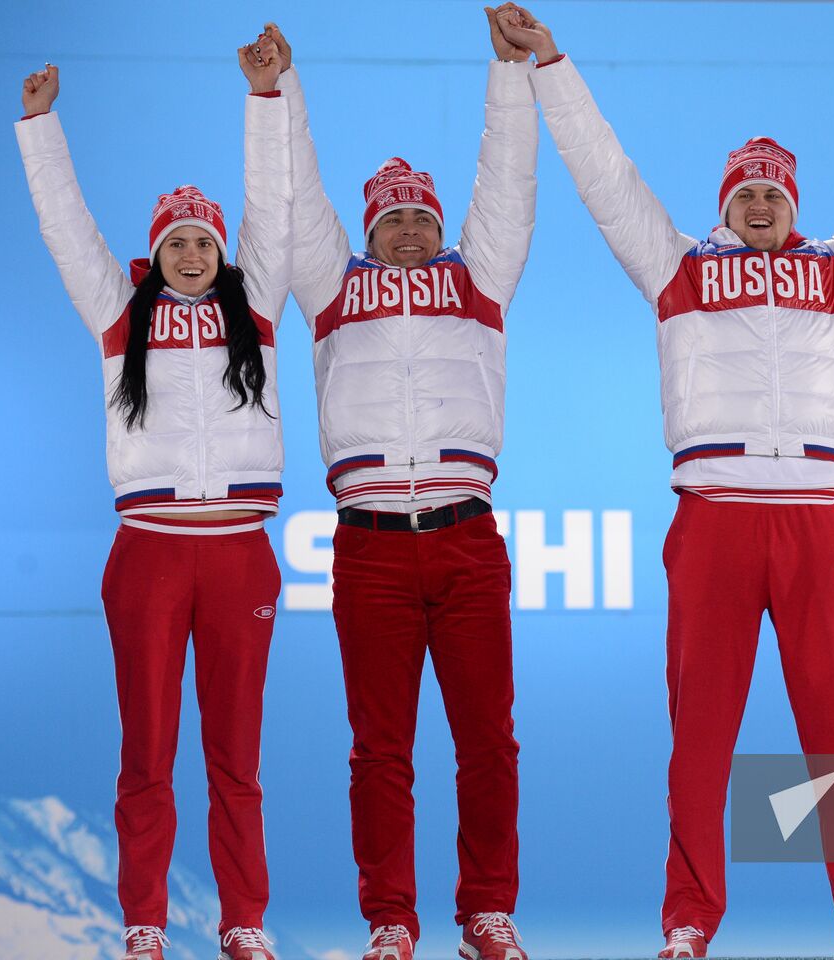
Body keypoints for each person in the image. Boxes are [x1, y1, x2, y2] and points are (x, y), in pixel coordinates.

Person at [493, 8, 834, 956]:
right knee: (701, 738)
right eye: (745, 192)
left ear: (795, 204)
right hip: (712, 520)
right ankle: (686, 924)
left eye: (774, 194)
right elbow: (603, 172)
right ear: (724, 204)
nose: (759, 205)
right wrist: (550, 66)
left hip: (816, 522)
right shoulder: (676, 267)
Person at [246, 14, 536, 960]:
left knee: (487, 740)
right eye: (392, 218)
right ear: (369, 231)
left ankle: (488, 912)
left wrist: (507, 72)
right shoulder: (332, 284)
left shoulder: (479, 278)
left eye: (421, 216)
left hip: (466, 535)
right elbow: (295, 198)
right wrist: (279, 92)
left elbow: (507, 185)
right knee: (381, 750)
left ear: (442, 228)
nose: (408, 229)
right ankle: (391, 920)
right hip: (367, 541)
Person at [16, 45, 292, 960]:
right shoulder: (118, 310)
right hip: (149, 551)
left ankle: (245, 923)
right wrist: (41, 128)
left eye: (203, 241)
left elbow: (273, 205)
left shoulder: (256, 314)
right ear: (155, 251)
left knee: (236, 759)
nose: (190, 254)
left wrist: (264, 96)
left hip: (240, 551)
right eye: (175, 241)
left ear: (222, 251)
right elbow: (66, 227)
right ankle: (143, 925)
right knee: (149, 753)